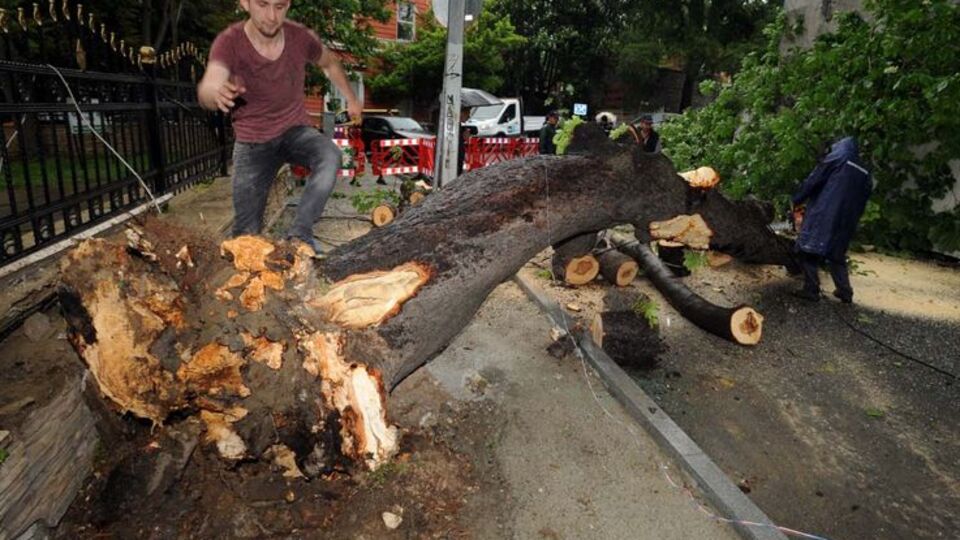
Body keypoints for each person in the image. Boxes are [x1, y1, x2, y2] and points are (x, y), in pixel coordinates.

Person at [197, 0, 362, 255]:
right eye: (263, 5)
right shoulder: (230, 41)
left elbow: (330, 63)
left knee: (330, 155)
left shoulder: (299, 37)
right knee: (245, 236)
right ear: (245, 3)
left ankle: (300, 234)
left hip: (294, 131)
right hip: (253, 143)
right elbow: (208, 85)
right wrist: (214, 92)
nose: (272, 16)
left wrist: (351, 98)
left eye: (280, 6)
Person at [791, 137, 873, 303]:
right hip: (848, 218)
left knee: (807, 250)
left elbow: (815, 179)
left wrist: (797, 198)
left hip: (825, 212)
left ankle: (811, 289)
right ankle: (845, 291)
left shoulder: (838, 156)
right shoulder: (864, 169)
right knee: (836, 253)